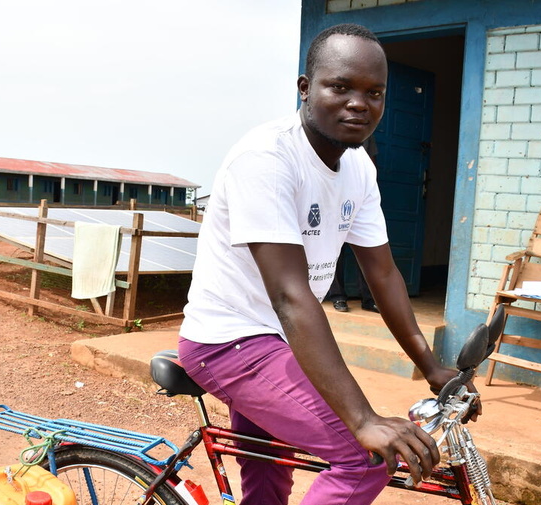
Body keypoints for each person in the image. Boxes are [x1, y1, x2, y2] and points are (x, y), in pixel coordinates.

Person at [178, 23, 462, 504]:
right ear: (305, 88)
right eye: (341, 86)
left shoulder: (359, 167)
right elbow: (290, 296)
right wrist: (363, 420)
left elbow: (383, 273)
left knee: (269, 474)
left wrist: (431, 367)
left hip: (280, 343)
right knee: (366, 459)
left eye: (374, 92)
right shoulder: (267, 159)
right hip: (229, 340)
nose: (359, 103)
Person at [327, 136, 379, 313]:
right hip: (334, 194)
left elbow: (372, 163)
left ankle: (369, 299)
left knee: (366, 249)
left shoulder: (367, 134)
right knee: (335, 249)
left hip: (358, 196)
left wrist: (370, 189)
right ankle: (338, 296)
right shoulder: (329, 131)